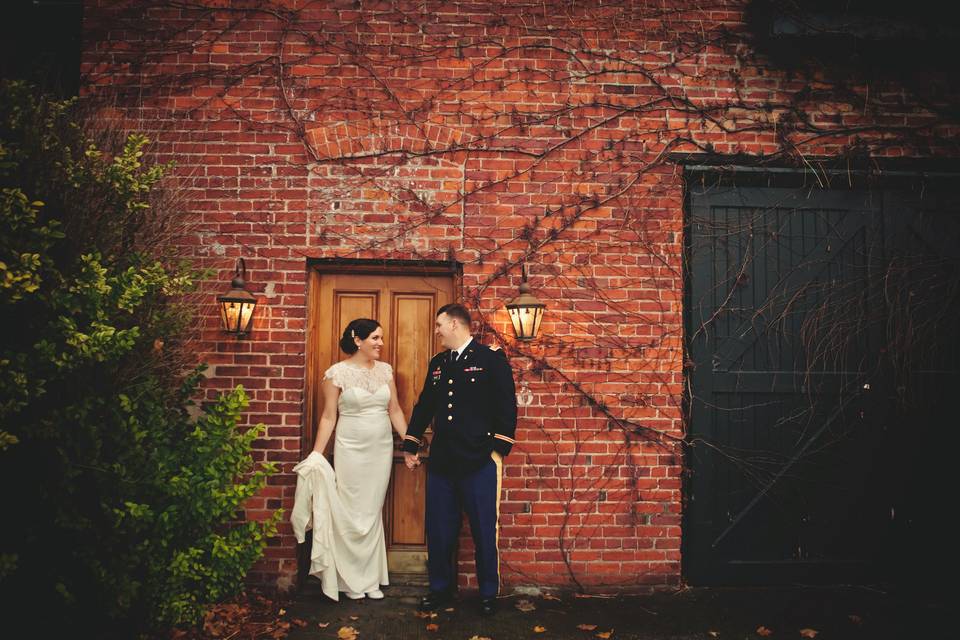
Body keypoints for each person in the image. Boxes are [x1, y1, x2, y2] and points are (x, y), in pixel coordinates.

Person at [402, 303, 518, 616]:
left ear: (455, 324)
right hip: (442, 462)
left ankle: (488, 595)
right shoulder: (439, 363)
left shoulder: (490, 359)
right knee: (439, 530)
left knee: (483, 530)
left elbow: (507, 406)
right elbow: (425, 405)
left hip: (480, 460)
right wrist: (410, 443)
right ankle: (440, 590)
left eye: (439, 325)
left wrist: (497, 449)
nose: (436, 330)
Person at [291, 318, 408, 601]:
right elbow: (329, 416)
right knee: (350, 509)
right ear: (358, 340)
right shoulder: (336, 374)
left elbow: (394, 410)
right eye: (375, 338)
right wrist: (318, 454)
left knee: (371, 510)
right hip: (350, 448)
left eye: (381, 338)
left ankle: (370, 580)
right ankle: (348, 581)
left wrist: (410, 444)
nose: (381, 343)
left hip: (380, 449)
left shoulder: (385, 371)